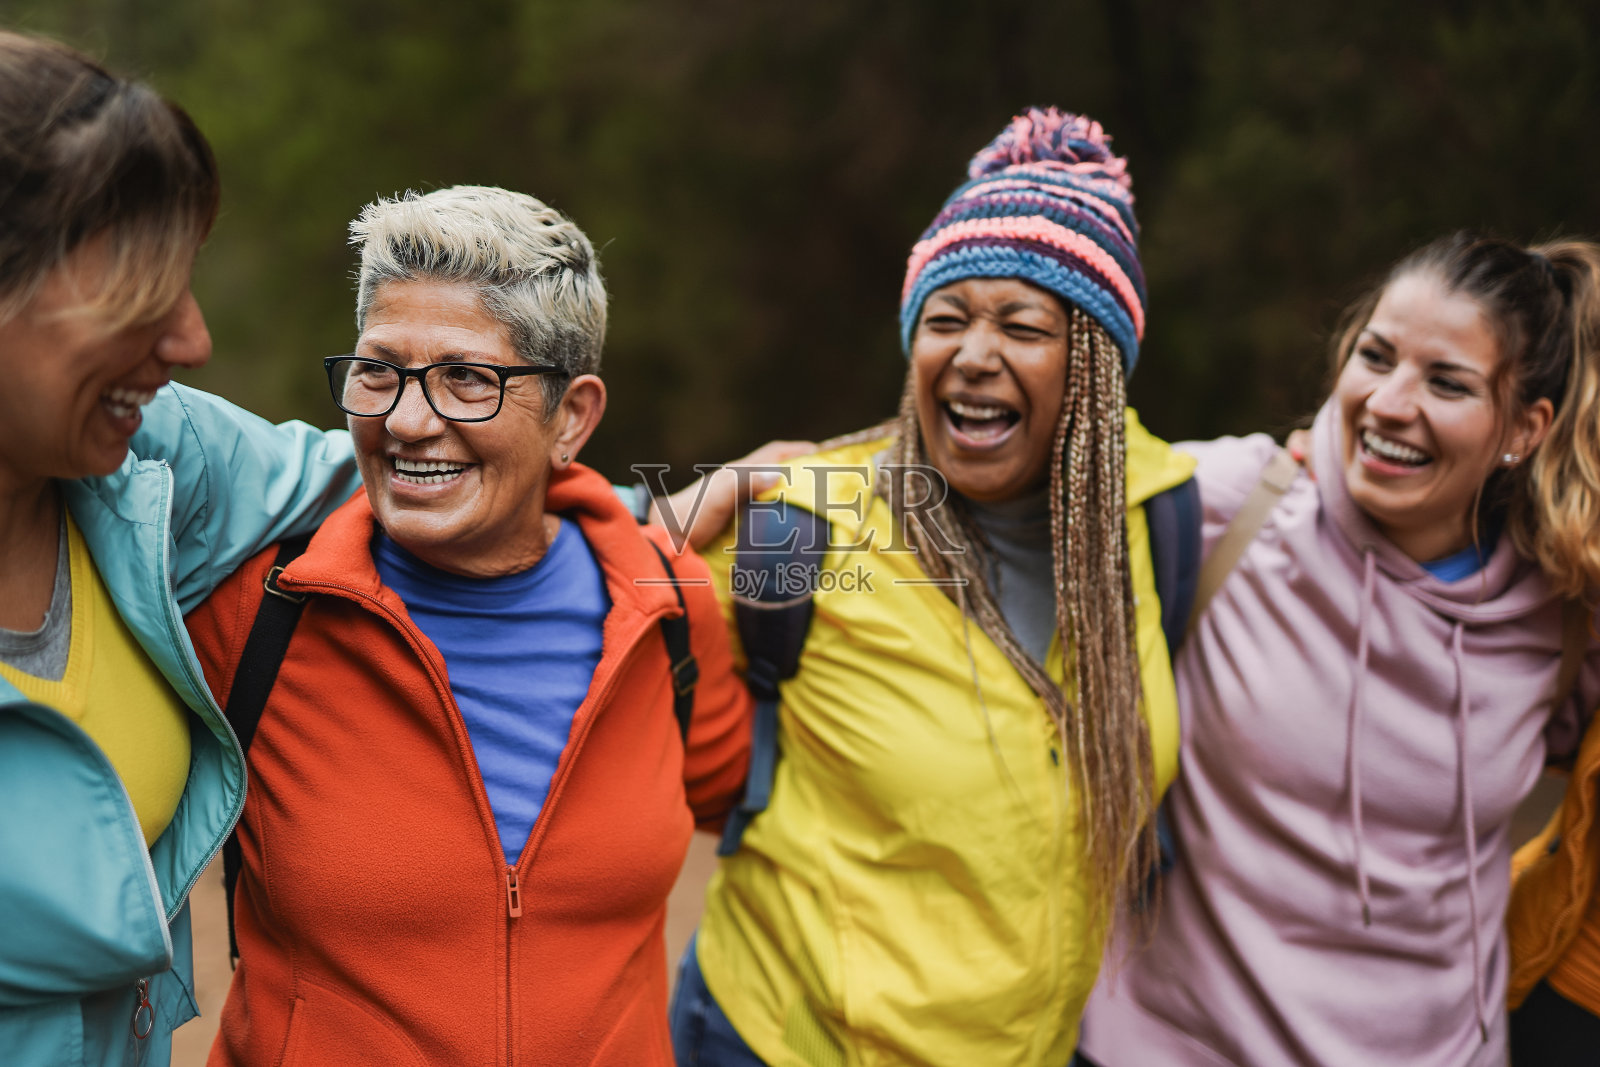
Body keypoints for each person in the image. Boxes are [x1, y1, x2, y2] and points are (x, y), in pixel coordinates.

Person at [667, 107, 1195, 1067]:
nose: (974, 354)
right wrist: (659, 519)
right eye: (945, 320)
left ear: (1093, 365)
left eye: (1022, 325)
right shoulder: (807, 526)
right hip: (788, 1042)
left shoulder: (1155, 511)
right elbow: (579, 603)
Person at [182, 185, 753, 1066]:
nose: (408, 421)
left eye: (468, 379)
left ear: (572, 416)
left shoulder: (669, 608)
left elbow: (748, 805)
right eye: (379, 371)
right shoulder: (257, 611)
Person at [1079, 233, 1600, 1066]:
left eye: (1447, 382)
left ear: (1525, 428)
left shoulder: (1560, 612)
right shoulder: (1239, 506)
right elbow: (989, 501)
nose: (1389, 402)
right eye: (1376, 356)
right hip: (1163, 1046)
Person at [0, 31, 365, 1067]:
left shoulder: (144, 462)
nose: (192, 340)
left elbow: (414, 479)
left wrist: (666, 508)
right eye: (138, 289)